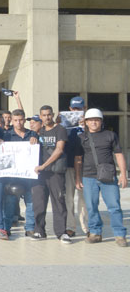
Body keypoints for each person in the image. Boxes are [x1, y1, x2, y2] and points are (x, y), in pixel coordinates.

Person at [75, 108, 128, 247]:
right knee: (91, 207)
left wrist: (124, 174)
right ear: (86, 122)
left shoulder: (110, 135)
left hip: (108, 176)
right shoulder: (81, 138)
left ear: (101, 121)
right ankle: (95, 233)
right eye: (91, 120)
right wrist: (77, 178)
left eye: (97, 120)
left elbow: (118, 154)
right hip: (88, 176)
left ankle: (119, 235)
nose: (94, 122)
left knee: (114, 206)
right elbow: (78, 159)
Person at [32, 105, 71, 244]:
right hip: (39, 175)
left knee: (59, 202)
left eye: (49, 114)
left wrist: (43, 165)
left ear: (53, 114)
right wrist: (32, 141)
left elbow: (59, 150)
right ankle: (39, 231)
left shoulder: (60, 129)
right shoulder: (38, 131)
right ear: (40, 116)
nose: (47, 117)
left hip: (55, 172)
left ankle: (61, 233)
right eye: (44, 115)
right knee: (39, 203)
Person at [4, 109, 38, 237]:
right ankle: (6, 227)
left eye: (21, 120)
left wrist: (36, 142)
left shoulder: (33, 134)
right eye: (15, 120)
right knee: (10, 202)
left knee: (31, 201)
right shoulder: (6, 135)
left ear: (24, 120)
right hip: (12, 176)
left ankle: (29, 228)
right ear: (11, 121)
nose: (18, 123)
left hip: (29, 175)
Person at [63, 96, 88, 237]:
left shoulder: (92, 124)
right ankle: (70, 226)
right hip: (68, 165)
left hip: (86, 165)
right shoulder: (64, 126)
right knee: (69, 198)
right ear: (70, 109)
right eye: (74, 108)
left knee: (84, 198)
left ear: (84, 108)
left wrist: (85, 126)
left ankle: (86, 227)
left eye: (79, 108)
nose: (76, 111)